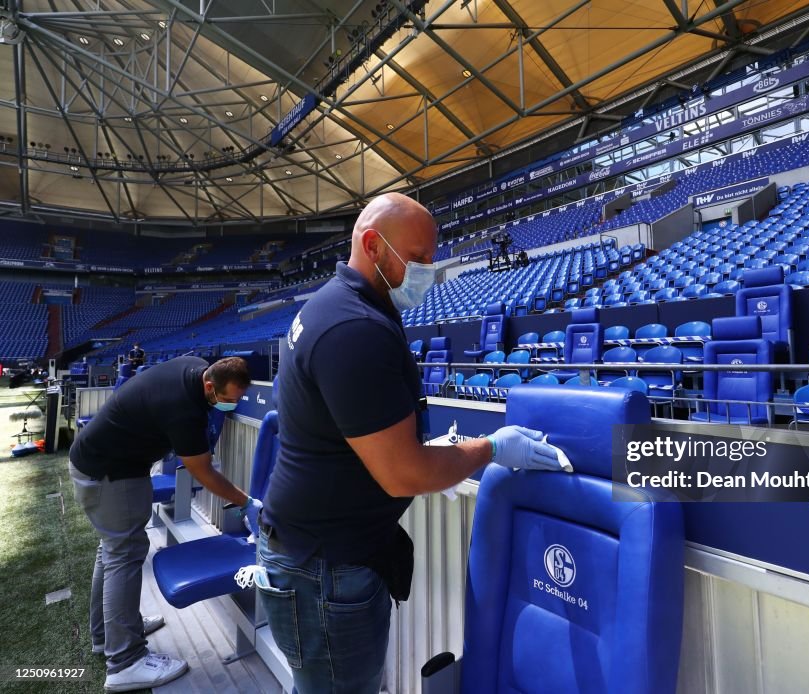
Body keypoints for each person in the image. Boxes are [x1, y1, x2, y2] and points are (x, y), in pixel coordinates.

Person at [260, 192, 563, 694]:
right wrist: (489, 449)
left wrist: (428, 451)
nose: (429, 268)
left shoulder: (335, 305)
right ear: (374, 246)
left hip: (311, 554)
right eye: (418, 257)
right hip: (325, 569)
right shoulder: (354, 326)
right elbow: (404, 473)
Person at [68, 356, 260, 692]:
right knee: (123, 555)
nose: (231, 405)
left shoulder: (196, 366)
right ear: (209, 385)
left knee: (111, 551)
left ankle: (109, 634)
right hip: (109, 473)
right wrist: (246, 502)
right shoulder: (182, 409)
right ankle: (125, 661)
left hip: (104, 464)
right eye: (227, 399)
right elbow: (203, 471)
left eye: (237, 400)